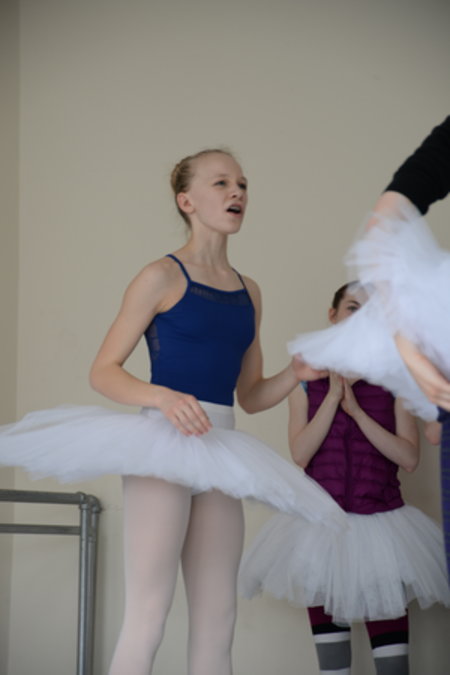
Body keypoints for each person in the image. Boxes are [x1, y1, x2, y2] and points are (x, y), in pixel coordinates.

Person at [0, 148, 344, 675]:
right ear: (187, 201)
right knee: (149, 615)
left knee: (218, 620)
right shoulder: (160, 276)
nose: (237, 191)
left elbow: (250, 395)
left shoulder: (250, 291)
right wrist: (161, 397)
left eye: (242, 183)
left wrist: (296, 373)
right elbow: (103, 371)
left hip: (221, 450)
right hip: (163, 444)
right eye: (221, 182)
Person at [239, 283, 450, 675]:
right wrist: (333, 398)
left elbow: (409, 458)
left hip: (384, 531)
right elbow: (301, 454)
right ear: (332, 314)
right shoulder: (304, 378)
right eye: (353, 307)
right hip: (320, 536)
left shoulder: (397, 380)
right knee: (333, 666)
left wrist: (357, 411)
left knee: (394, 666)